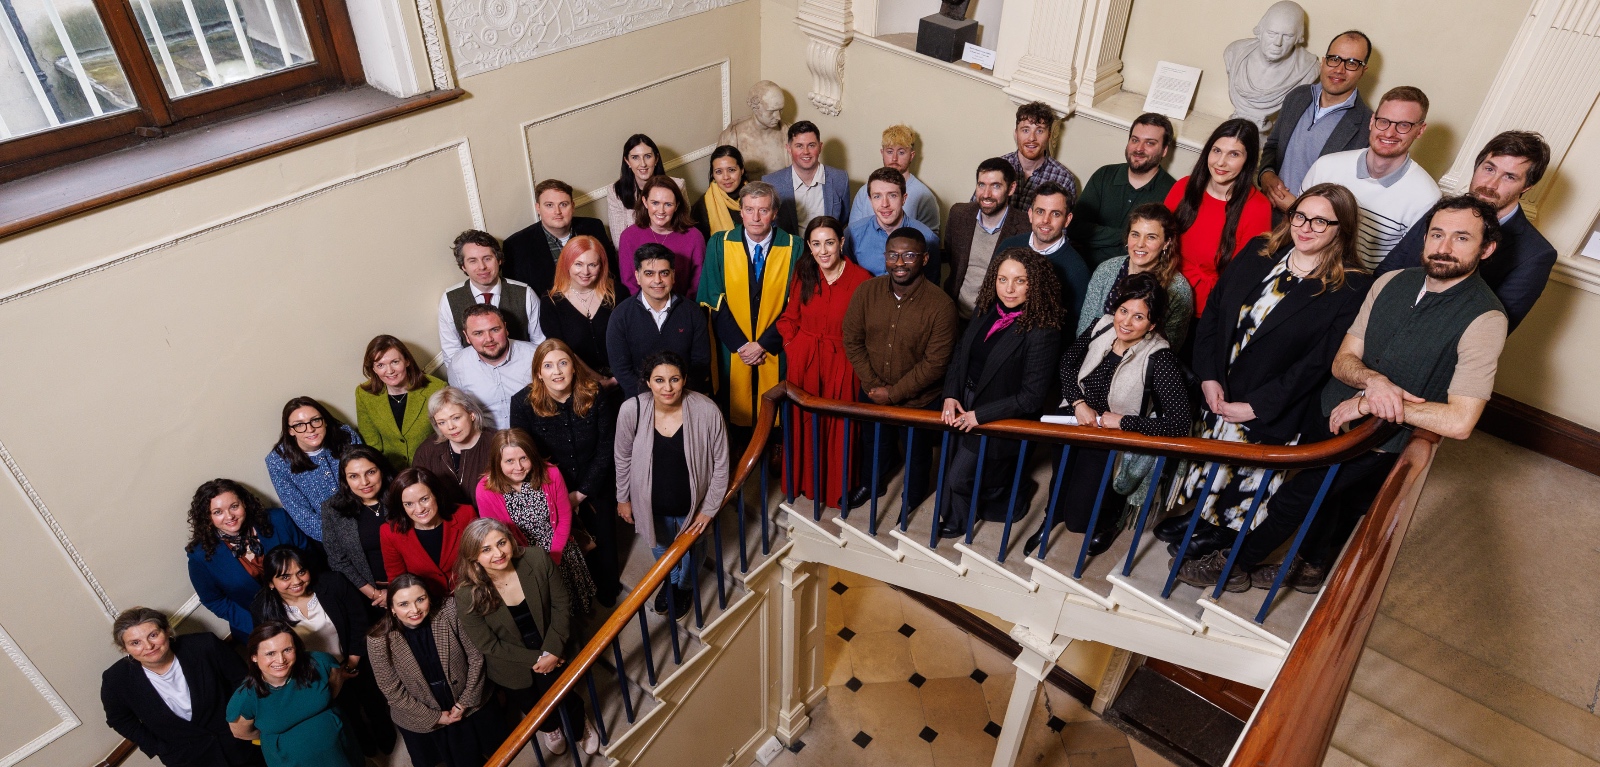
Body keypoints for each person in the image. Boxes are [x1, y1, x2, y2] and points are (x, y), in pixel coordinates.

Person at [1177, 195, 1507, 592]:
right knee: (1323, 498)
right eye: (1437, 234)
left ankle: (1232, 566)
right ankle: (1312, 565)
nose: (1444, 246)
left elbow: (1460, 421)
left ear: (1487, 249)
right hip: (1328, 409)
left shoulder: (1485, 318)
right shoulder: (1391, 282)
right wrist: (1372, 381)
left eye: (1462, 238)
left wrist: (1372, 403)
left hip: (1380, 437)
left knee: (1296, 497)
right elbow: (1343, 359)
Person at [1160, 185, 1372, 563]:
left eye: (1320, 222)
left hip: (1272, 399)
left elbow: (1318, 362)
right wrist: (1208, 375)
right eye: (1300, 216)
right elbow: (1216, 309)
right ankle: (1201, 517)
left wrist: (1257, 406)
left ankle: (1222, 533)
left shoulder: (1352, 285)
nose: (1305, 227)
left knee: (1243, 474)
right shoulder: (1261, 250)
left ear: (1342, 228)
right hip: (1222, 383)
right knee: (1213, 457)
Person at [1024, 273, 1194, 556]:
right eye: (1123, 311)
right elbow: (1067, 363)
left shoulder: (1160, 358)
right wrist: (1078, 402)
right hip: (1074, 419)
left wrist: (1123, 421)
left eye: (1138, 317)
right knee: (1060, 478)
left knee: (1079, 519)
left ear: (1152, 324)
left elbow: (1178, 423)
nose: (1126, 322)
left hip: (1108, 437)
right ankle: (1050, 517)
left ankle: (1109, 522)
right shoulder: (1101, 325)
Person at [936, 248, 1064, 540]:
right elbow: (961, 354)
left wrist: (979, 416)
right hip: (964, 399)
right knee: (951, 464)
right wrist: (951, 395)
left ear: (1035, 284)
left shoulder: (1043, 331)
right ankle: (958, 515)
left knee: (961, 476)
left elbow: (1031, 397)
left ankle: (1007, 502)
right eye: (1003, 279)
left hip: (996, 411)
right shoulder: (986, 308)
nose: (1009, 289)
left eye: (1020, 281)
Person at [1378, 131, 1556, 331]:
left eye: (1509, 177)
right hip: (1379, 324)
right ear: (1477, 165)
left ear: (1527, 187)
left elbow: (1492, 329)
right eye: (1489, 169)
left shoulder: (1536, 254)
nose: (1490, 184)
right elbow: (1387, 273)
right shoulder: (1443, 212)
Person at [455, 518, 600, 756]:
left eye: (501, 543)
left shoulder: (536, 558)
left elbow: (561, 604)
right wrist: (538, 659)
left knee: (566, 696)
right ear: (474, 557)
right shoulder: (466, 593)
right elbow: (487, 644)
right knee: (532, 705)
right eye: (486, 549)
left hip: (552, 642)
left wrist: (552, 651)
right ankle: (550, 728)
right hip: (511, 660)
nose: (498, 553)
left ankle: (578, 725)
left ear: (510, 540)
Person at [842, 227, 958, 508]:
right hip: (872, 390)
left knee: (916, 452)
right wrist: (873, 386)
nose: (900, 262)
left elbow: (935, 363)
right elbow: (852, 339)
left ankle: (913, 497)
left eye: (909, 255)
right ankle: (871, 483)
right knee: (873, 442)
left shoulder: (942, 306)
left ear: (925, 259)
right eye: (893, 255)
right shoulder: (866, 291)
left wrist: (893, 394)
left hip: (919, 399)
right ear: (885, 257)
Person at [249, 547, 394, 759]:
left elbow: (359, 622)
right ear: (271, 582)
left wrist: (352, 662)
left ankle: (386, 737)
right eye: (285, 577)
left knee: (374, 703)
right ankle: (364, 745)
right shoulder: (262, 609)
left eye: (301, 572)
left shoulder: (333, 583)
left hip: (355, 659)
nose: (296, 581)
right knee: (344, 713)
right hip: (314, 675)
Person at [615, 352, 730, 618]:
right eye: (659, 380)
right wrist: (623, 498)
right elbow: (622, 457)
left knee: (694, 549)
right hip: (651, 503)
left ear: (684, 379)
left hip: (693, 504)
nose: (667, 387)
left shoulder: (706, 410)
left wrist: (709, 509)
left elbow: (722, 464)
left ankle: (685, 586)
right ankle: (671, 579)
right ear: (648, 382)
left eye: (674, 379)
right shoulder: (632, 410)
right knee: (659, 544)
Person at [510, 339, 623, 606]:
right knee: (567, 543)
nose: (557, 371)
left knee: (605, 538)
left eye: (563, 363)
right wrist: (561, 496)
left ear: (573, 367)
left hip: (595, 479)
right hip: (551, 485)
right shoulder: (522, 403)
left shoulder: (594, 393)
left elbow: (607, 446)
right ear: (539, 372)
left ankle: (608, 590)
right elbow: (526, 455)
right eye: (548, 366)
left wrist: (582, 493)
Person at [778, 216, 873, 506]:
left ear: (841, 243)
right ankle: (803, 482)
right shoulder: (803, 272)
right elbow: (789, 317)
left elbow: (868, 331)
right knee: (804, 424)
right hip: (804, 361)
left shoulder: (862, 279)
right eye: (816, 244)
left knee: (838, 426)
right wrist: (793, 347)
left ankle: (834, 490)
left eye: (829, 243)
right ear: (809, 246)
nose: (823, 251)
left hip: (842, 363)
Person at [365, 574, 504, 767]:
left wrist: (465, 702)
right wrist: (435, 717)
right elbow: (391, 691)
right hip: (419, 713)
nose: (414, 610)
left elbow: (476, 657)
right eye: (404, 604)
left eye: (420, 599)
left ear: (429, 597)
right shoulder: (378, 640)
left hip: (469, 698)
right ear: (392, 608)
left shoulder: (450, 611)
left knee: (498, 753)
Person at [101, 607, 264, 767]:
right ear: (125, 648)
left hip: (243, 747)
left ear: (167, 631)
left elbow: (244, 683)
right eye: (135, 643)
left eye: (153, 635)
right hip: (187, 760)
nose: (148, 646)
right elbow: (119, 719)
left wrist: (245, 724)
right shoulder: (116, 680)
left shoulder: (205, 645)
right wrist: (157, 747)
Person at [1301, 86, 1440, 269]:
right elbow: (1296, 226)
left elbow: (1400, 268)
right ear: (1372, 121)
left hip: (1362, 282)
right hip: (1304, 268)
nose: (1389, 133)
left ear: (1420, 130)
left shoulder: (1428, 198)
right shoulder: (1325, 167)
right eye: (1383, 121)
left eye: (1403, 125)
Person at [698, 181, 797, 429]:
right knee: (734, 411)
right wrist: (742, 346)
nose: (755, 217)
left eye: (763, 210)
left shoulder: (794, 247)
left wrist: (764, 344)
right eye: (749, 209)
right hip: (733, 347)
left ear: (774, 213)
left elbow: (796, 305)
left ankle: (775, 443)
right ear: (740, 211)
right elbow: (713, 298)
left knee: (776, 414)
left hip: (775, 346)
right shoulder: (719, 244)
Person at [476, 428, 597, 615]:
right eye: (509, 461)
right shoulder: (485, 490)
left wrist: (554, 557)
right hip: (521, 558)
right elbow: (493, 537)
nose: (519, 467)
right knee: (545, 609)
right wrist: (530, 566)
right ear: (497, 462)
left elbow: (564, 516)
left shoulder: (551, 473)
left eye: (523, 458)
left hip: (558, 548)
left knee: (573, 601)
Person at [1165, 118, 1273, 319]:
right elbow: (1156, 242)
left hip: (1212, 309)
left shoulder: (1258, 207)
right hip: (1164, 294)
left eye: (1234, 154)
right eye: (1216, 151)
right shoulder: (1183, 187)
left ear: (1248, 160)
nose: (1221, 162)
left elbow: (1244, 277)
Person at [1259, 31, 1375, 211]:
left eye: (1352, 63)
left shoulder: (1368, 126)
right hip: (1266, 210)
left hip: (1312, 224)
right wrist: (1266, 174)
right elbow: (1273, 145)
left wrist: (1298, 209)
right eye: (1334, 59)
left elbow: (1351, 195)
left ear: (1363, 71)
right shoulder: (1297, 96)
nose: (1339, 69)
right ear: (1324, 61)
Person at [186, 479, 310, 640]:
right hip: (256, 622)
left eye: (234, 506)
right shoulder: (199, 556)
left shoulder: (279, 519)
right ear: (207, 517)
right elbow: (214, 600)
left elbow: (308, 556)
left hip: (306, 599)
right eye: (217, 512)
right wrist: (260, 626)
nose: (229, 516)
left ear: (244, 503)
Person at [226, 622, 360, 767]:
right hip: (290, 762)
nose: (281, 660)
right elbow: (242, 732)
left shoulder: (321, 663)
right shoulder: (245, 698)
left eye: (287, 650)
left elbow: (334, 689)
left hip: (339, 750)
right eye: (270, 653)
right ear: (254, 656)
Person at [1078, 203, 1195, 348]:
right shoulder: (1106, 270)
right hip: (1093, 352)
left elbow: (1169, 349)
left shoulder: (1179, 290)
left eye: (1151, 237)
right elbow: (1084, 330)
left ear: (1166, 242)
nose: (1140, 244)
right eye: (1135, 234)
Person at [1069, 113, 1179, 266]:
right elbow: (1074, 227)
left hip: (1133, 273)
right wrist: (1128, 236)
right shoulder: (1104, 175)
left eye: (1150, 143)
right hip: (1082, 264)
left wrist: (1099, 236)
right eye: (1135, 140)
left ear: (1164, 150)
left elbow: (1162, 248)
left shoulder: (1173, 191)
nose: (1139, 149)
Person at [607, 242, 712, 397]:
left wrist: (676, 395)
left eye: (664, 273)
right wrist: (652, 399)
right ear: (637, 276)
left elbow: (701, 363)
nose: (657, 280)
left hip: (685, 396)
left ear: (673, 275)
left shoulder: (692, 312)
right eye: (649, 274)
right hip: (639, 399)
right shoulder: (620, 315)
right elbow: (621, 369)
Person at [503, 178, 620, 298]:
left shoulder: (594, 227)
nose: (557, 211)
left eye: (563, 204)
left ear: (572, 206)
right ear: (538, 208)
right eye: (549, 205)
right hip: (549, 307)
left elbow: (612, 274)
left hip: (599, 300)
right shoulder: (516, 245)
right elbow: (518, 297)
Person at [436, 229, 543, 360]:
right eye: (473, 261)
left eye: (487, 258)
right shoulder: (450, 299)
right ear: (463, 266)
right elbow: (451, 352)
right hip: (474, 371)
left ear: (498, 259)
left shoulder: (525, 294)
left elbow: (540, 344)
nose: (482, 267)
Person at [945, 158, 1030, 319]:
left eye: (995, 186)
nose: (986, 194)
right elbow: (951, 257)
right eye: (981, 185)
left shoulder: (1026, 227)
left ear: (1011, 188)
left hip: (996, 320)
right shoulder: (958, 215)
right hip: (954, 314)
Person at [265, 397, 359, 543]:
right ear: (290, 431)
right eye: (299, 425)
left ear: (325, 421)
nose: (310, 429)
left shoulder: (346, 437)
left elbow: (370, 478)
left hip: (366, 518)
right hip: (328, 536)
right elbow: (301, 513)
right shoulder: (278, 461)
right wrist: (337, 538)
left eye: (315, 420)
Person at [998, 181, 1092, 320]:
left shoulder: (1077, 270)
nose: (1046, 220)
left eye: (1055, 214)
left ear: (1067, 220)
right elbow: (988, 297)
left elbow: (1073, 326)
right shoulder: (1008, 246)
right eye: (1040, 212)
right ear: (1030, 214)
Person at [380, 467, 480, 595]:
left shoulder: (465, 514)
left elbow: (481, 560)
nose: (419, 509)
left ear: (436, 494)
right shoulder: (390, 532)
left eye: (424, 499)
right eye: (409, 504)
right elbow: (397, 580)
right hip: (426, 601)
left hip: (470, 593)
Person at [353, 335, 446, 470]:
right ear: (373, 369)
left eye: (395, 362)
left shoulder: (436, 388)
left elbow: (445, 437)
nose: (390, 371)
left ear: (407, 361)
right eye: (380, 365)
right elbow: (372, 445)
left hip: (433, 468)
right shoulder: (364, 395)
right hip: (391, 472)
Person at [320, 446, 396, 609]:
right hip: (367, 596)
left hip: (412, 586)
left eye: (371, 472)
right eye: (354, 476)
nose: (364, 482)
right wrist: (375, 595)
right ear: (345, 479)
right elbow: (338, 560)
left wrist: (400, 590)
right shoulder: (332, 509)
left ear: (381, 470)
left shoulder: (401, 497)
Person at [538, 234, 618, 387]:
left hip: (623, 376)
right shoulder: (551, 302)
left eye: (592, 265)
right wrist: (600, 381)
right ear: (566, 264)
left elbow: (630, 338)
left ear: (601, 265)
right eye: (578, 264)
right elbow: (563, 351)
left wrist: (618, 378)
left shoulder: (616, 292)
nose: (585, 272)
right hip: (580, 382)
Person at [445, 304, 537, 430]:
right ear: (467, 337)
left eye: (495, 330)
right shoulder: (457, 366)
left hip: (533, 433)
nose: (489, 339)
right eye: (478, 333)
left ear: (505, 328)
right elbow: (460, 412)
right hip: (487, 437)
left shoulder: (534, 355)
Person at [619, 174, 707, 296]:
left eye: (668, 204)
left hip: (685, 304)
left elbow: (698, 284)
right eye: (655, 203)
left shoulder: (694, 237)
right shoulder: (628, 237)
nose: (661, 211)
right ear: (645, 202)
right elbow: (629, 284)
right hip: (641, 305)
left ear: (677, 205)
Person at [412, 387, 499, 510]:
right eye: (442, 422)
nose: (451, 427)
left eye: (456, 418)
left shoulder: (497, 443)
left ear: (472, 414)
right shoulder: (427, 451)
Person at [846, 167, 941, 278]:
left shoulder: (927, 238)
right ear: (870, 200)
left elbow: (931, 283)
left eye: (892, 195)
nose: (884, 204)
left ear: (904, 199)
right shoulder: (853, 234)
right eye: (877, 196)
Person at [848, 125, 942, 234]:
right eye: (889, 151)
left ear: (911, 156)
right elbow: (853, 233)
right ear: (882, 153)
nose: (894, 158)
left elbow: (930, 238)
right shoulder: (864, 192)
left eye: (901, 152)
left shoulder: (924, 196)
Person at [764, 121, 850, 236]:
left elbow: (844, 221)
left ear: (820, 147)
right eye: (799, 146)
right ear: (789, 149)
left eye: (811, 145)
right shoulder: (771, 183)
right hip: (789, 246)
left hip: (826, 246)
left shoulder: (840, 179)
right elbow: (769, 226)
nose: (806, 152)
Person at [605, 134, 687, 251]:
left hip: (672, 250)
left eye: (648, 156)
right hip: (636, 255)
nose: (643, 164)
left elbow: (684, 226)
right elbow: (620, 243)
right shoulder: (615, 192)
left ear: (656, 159)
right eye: (635, 157)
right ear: (627, 161)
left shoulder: (678, 185)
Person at [1002, 101, 1077, 213]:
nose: (1032, 138)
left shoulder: (1064, 180)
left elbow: (1064, 222)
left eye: (1040, 131)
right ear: (1016, 133)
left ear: (1049, 136)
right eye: (1025, 130)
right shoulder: (998, 168)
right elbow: (977, 212)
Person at [717, 80, 789, 177]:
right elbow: (721, 177)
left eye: (781, 110)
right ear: (755, 108)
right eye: (771, 111)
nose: (778, 117)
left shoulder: (788, 134)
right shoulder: (732, 137)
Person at [692, 145, 747, 241]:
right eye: (719, 172)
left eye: (731, 170)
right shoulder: (702, 206)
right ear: (713, 175)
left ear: (741, 170)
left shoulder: (756, 195)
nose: (726, 177)